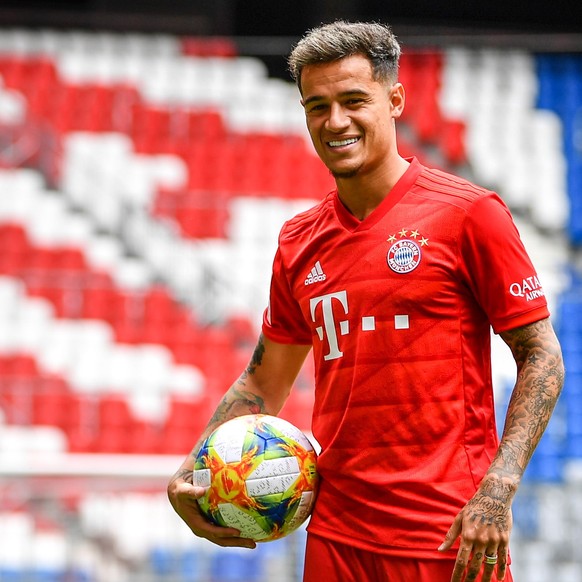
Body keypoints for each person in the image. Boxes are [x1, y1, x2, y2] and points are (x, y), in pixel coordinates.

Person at [168, 20, 565, 582]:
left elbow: (542, 355)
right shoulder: (299, 241)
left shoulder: (470, 215)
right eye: (317, 106)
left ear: (395, 99)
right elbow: (264, 382)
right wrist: (193, 469)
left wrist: (498, 490)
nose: (335, 122)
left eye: (354, 100)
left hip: (450, 533)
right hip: (336, 534)